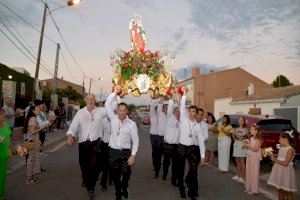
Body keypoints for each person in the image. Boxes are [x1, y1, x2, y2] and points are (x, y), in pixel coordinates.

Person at [67, 94, 106, 200]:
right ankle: (86, 179)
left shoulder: (101, 111)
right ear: (85, 100)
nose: (90, 101)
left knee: (93, 166)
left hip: (96, 143)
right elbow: (74, 125)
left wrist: (115, 94)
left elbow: (112, 108)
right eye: (88, 99)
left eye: (92, 99)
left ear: (95, 100)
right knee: (83, 165)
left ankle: (91, 188)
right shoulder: (80, 113)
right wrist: (70, 135)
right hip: (83, 144)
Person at [105, 87, 139, 200]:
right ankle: (118, 193)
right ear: (117, 111)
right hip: (113, 152)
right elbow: (107, 104)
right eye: (120, 110)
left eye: (124, 110)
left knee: (126, 173)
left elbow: (136, 140)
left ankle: (124, 187)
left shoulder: (132, 124)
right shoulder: (113, 118)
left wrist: (133, 155)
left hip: (125, 153)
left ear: (127, 111)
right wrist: (114, 92)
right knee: (114, 176)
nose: (122, 112)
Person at [177, 89, 205, 200]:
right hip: (181, 148)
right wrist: (184, 94)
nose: (192, 113)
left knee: (193, 171)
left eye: (194, 112)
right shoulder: (183, 119)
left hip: (192, 149)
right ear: (188, 112)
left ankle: (192, 193)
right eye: (190, 111)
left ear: (196, 114)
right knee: (180, 170)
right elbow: (181, 106)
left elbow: (202, 141)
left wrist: (202, 156)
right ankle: (181, 190)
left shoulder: (198, 126)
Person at [268, 131, 297, 200]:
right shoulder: (281, 148)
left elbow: (285, 163)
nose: (279, 140)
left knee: (288, 192)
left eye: (280, 139)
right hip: (279, 171)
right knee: (280, 191)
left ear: (285, 140)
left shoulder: (290, 150)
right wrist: (272, 155)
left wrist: (274, 159)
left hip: (286, 172)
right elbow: (279, 157)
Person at [100, 98, 120, 191]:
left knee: (112, 165)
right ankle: (103, 183)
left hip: (114, 146)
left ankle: (111, 179)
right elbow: (100, 132)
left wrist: (117, 95)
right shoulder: (103, 120)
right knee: (105, 165)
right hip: (105, 144)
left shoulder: (117, 120)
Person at [23, 106, 45, 184]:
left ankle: (31, 176)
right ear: (33, 111)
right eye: (37, 109)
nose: (39, 110)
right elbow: (32, 132)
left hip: (33, 141)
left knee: (32, 158)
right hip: (31, 141)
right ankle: (29, 178)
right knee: (31, 159)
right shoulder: (32, 119)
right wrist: (41, 128)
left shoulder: (33, 118)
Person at [162, 96, 180, 186]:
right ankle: (164, 173)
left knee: (175, 164)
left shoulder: (181, 121)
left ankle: (174, 180)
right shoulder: (170, 117)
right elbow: (169, 109)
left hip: (176, 146)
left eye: (179, 111)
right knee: (166, 162)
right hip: (168, 145)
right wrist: (172, 100)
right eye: (176, 111)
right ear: (173, 112)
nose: (178, 113)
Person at [244, 125, 262, 195]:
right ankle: (248, 187)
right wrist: (245, 144)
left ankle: (254, 189)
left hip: (255, 157)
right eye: (250, 130)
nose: (250, 131)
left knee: (254, 173)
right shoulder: (250, 138)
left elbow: (256, 149)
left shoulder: (258, 139)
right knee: (248, 171)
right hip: (249, 156)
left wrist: (248, 146)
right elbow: (246, 147)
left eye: (251, 130)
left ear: (256, 131)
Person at [230, 116, 248, 183]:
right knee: (237, 162)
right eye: (239, 120)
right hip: (236, 145)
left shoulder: (245, 129)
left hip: (242, 146)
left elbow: (241, 138)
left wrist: (235, 132)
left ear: (244, 121)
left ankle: (243, 177)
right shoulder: (236, 129)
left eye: (242, 120)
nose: (240, 121)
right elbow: (235, 139)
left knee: (242, 162)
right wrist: (232, 134)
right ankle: (238, 175)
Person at [0, 108, 12, 200]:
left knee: (2, 176)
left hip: (4, 155)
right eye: (1, 114)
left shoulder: (6, 125)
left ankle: (1, 194)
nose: (4, 116)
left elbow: (9, 138)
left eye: (3, 114)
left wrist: (12, 148)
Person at [149, 99, 161, 178]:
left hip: (160, 137)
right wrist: (159, 99)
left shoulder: (163, 116)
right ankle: (155, 165)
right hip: (153, 136)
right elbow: (152, 104)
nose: (158, 110)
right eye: (157, 109)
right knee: (154, 153)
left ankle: (157, 169)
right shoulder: (152, 115)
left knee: (159, 154)